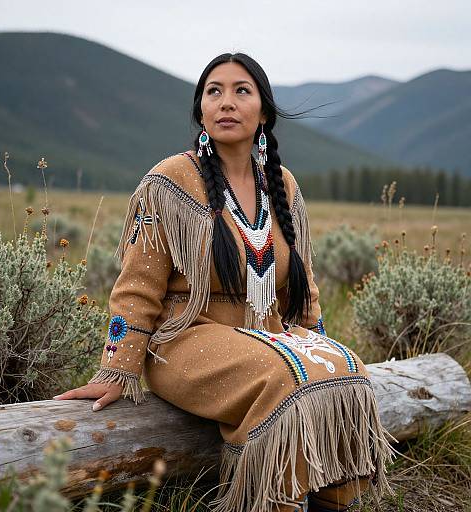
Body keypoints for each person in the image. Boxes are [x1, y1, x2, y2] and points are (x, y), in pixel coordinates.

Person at [53, 53, 396, 512]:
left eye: (241, 91)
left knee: (348, 370)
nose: (225, 102)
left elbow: (303, 282)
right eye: (213, 91)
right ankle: (275, 502)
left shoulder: (282, 184)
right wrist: (117, 367)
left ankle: (332, 502)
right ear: (200, 112)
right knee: (284, 379)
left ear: (264, 112)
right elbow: (136, 287)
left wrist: (320, 346)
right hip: (183, 340)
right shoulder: (170, 181)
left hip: (264, 333)